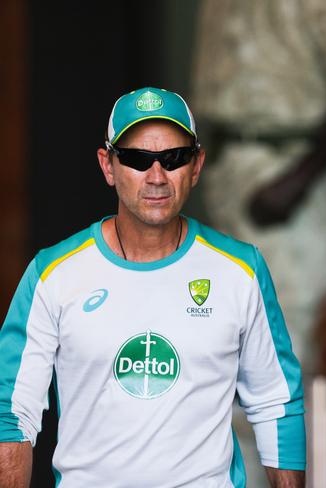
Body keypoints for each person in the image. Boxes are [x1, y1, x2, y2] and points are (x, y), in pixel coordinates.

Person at [0, 87, 305, 488]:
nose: (157, 176)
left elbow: (276, 404)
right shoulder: (52, 273)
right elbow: (12, 410)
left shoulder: (240, 271)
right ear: (108, 166)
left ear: (196, 166)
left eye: (174, 158)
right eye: (137, 159)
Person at [191, 2, 326, 484]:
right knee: (222, 363)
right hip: (224, 177)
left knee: (271, 371)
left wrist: (297, 180)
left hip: (287, 180)